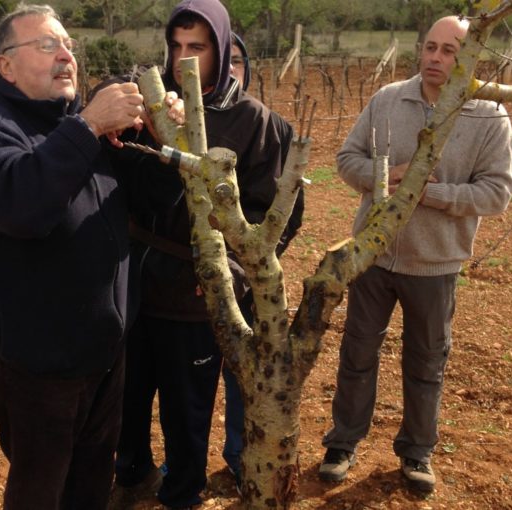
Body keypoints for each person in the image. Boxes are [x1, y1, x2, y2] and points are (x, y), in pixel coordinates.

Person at [0, 4, 181, 509]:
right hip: (39, 358)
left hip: (104, 348)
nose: (66, 56)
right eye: (47, 46)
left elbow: (151, 202)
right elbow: (22, 208)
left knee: (93, 477)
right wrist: (88, 126)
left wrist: (162, 144)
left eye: (69, 45)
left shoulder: (77, 126)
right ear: (5, 65)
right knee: (41, 485)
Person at [110, 1, 298, 508]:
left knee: (186, 408)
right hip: (134, 281)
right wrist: (150, 131)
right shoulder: (153, 104)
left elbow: (275, 214)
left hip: (195, 292)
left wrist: (230, 272)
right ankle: (130, 474)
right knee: (127, 395)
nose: (182, 58)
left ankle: (182, 491)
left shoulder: (259, 125)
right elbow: (131, 186)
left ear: (222, 47)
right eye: (176, 46)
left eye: (197, 47)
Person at [319, 16, 512, 493]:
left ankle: (417, 452)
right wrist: (395, 177)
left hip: (436, 263)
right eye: (430, 47)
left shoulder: (488, 115)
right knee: (358, 352)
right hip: (373, 255)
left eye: (450, 50)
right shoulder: (389, 100)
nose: (435, 58)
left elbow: (496, 194)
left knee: (427, 360)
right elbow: (347, 161)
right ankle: (343, 442)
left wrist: (432, 193)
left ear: (470, 58)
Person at [220, 32, 304, 489]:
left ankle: (239, 453)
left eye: (236, 61)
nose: (228, 69)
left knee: (244, 372)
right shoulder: (173, 125)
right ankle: (177, 463)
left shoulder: (271, 127)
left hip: (249, 276)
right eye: (221, 59)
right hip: (184, 279)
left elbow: (287, 212)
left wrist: (246, 265)